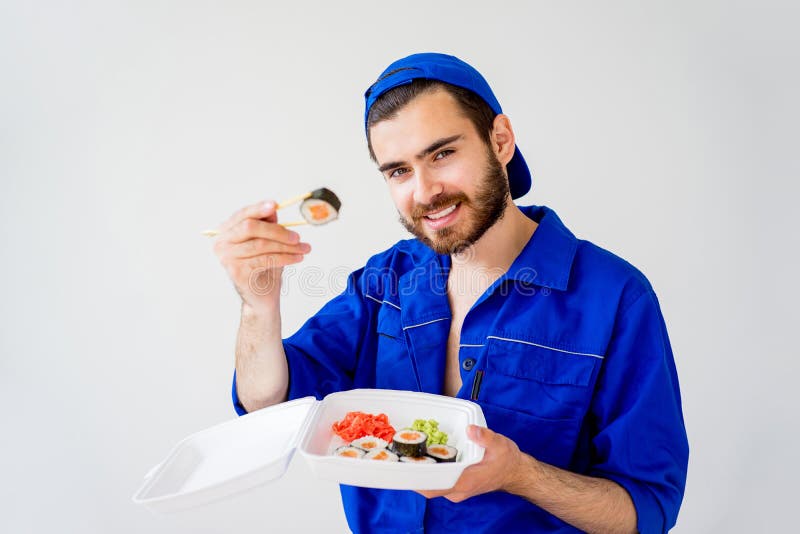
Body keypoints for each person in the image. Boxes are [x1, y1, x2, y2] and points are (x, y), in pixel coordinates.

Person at [213, 53, 689, 533]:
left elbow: (644, 509)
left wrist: (520, 475)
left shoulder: (615, 299)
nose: (424, 191)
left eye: (442, 154)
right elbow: (267, 403)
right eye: (398, 171)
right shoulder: (385, 282)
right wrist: (258, 304)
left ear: (500, 140)